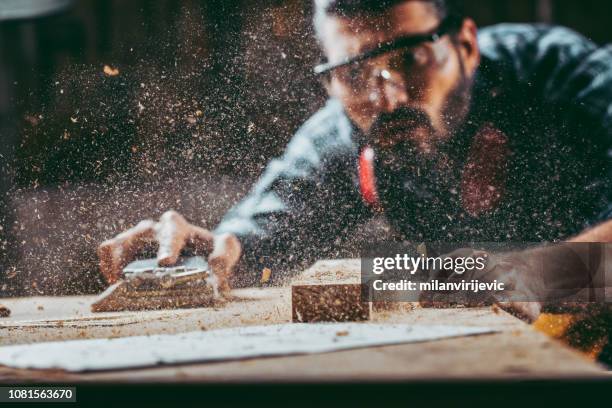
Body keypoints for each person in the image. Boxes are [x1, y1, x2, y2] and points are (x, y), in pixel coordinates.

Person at [98, 0, 612, 319]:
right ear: (329, 78)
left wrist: (532, 274)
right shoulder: (340, 136)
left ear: (466, 44)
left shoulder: (565, 77)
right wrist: (208, 255)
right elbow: (255, 244)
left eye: (410, 59)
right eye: (353, 72)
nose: (387, 96)